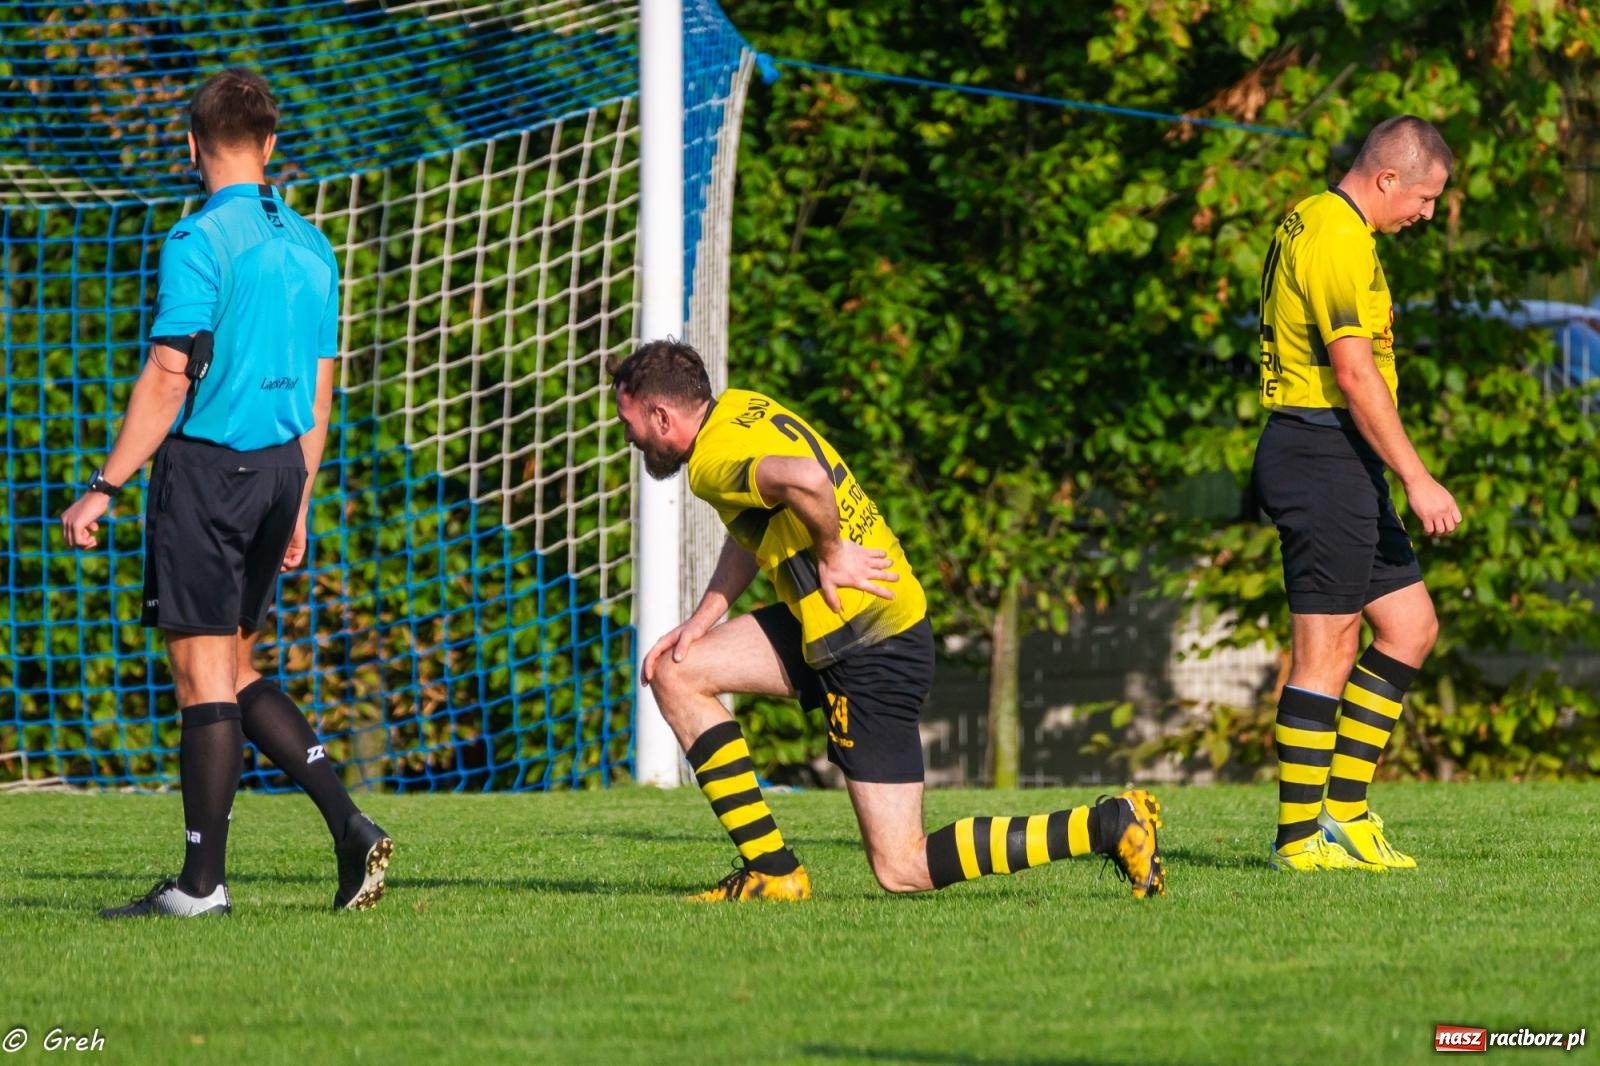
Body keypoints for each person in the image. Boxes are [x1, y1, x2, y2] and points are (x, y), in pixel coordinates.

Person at [611, 340, 1165, 901]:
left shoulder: (708, 464)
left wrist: (831, 552)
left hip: (871, 641)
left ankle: (1110, 824)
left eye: (629, 422)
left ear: (661, 416)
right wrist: (704, 618)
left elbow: (805, 480)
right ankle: (772, 872)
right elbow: (757, 520)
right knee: (678, 670)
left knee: (902, 867)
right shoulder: (739, 409)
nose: (628, 437)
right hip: (830, 622)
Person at [60, 68, 393, 917]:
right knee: (236, 665)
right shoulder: (315, 245)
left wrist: (104, 485)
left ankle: (200, 888)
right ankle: (349, 825)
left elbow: (171, 376)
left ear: (192, 144)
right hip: (284, 470)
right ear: (271, 146)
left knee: (199, 674)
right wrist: (304, 503)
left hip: (212, 471)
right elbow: (319, 396)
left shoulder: (197, 238)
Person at [1252, 115, 1461, 873]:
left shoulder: (1313, 214)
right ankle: (1298, 840)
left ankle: (1344, 813)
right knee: (1326, 650)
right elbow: (1354, 371)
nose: (1427, 214)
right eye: (1426, 198)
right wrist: (1417, 476)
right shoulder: (1339, 238)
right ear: (1386, 180)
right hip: (1318, 451)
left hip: (1340, 456)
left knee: (1408, 626)